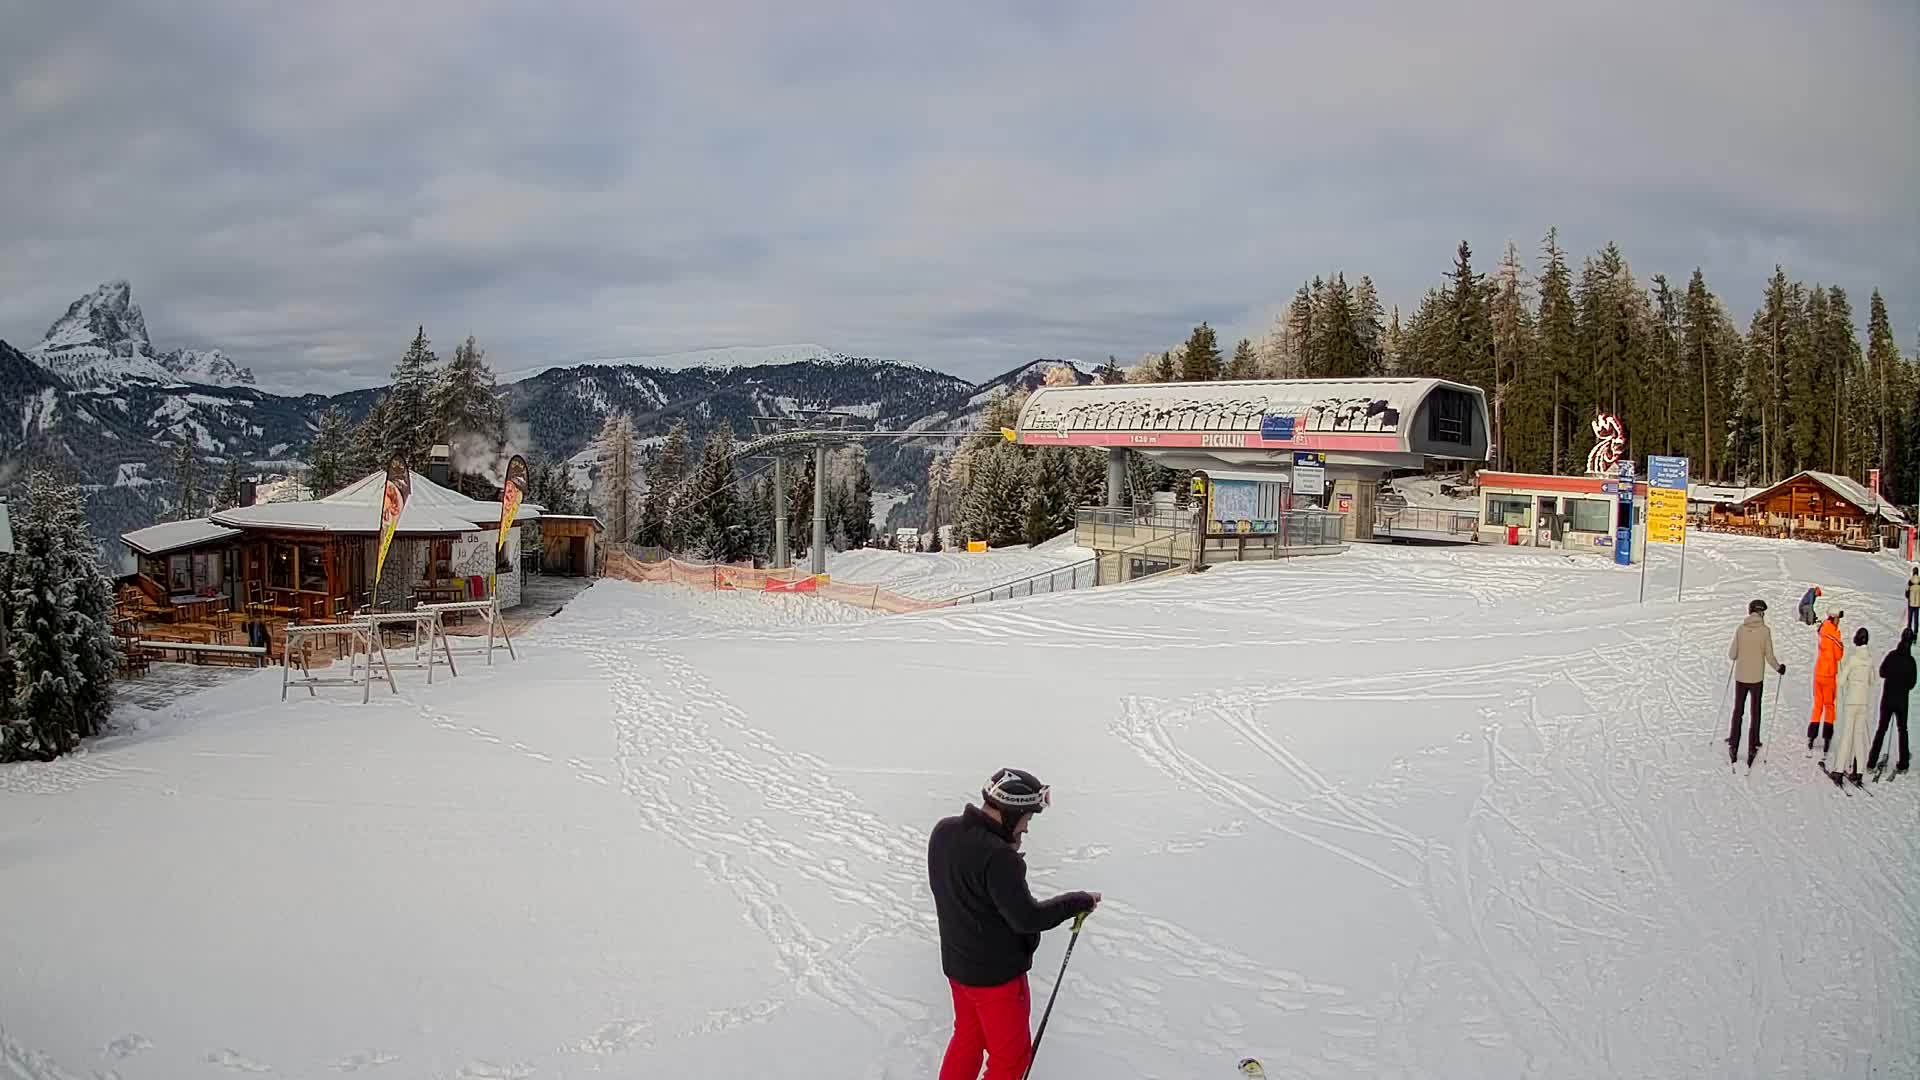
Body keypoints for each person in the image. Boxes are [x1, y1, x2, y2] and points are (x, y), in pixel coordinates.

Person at [928, 768, 1100, 1080]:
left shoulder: (944, 833)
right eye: (1028, 818)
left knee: (968, 1038)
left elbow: (964, 891)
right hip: (996, 980)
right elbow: (1027, 918)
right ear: (1011, 813)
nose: (1027, 828)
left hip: (958, 969)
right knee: (1011, 1060)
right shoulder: (998, 858)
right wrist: (1078, 902)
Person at [1727, 599, 1786, 766]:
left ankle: (1733, 743)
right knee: (1755, 712)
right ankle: (1753, 744)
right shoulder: (1765, 631)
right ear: (1760, 612)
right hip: (1756, 679)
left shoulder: (1741, 629)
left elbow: (1732, 654)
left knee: (1738, 711)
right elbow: (1769, 656)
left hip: (1741, 678)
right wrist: (1778, 668)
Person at [1827, 626, 1874, 786]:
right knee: (1858, 738)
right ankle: (1858, 771)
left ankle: (1839, 770)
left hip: (1851, 701)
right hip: (1863, 702)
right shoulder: (1869, 660)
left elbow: (1840, 681)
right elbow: (1872, 680)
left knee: (1847, 735)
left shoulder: (1853, 659)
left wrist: (1846, 681)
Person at [1869, 629, 1915, 775]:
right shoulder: (1911, 661)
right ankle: (1903, 763)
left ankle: (1871, 762)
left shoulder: (1892, 655)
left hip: (1888, 699)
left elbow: (1882, 672)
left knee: (1881, 729)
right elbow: (1912, 683)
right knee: (1903, 730)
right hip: (1902, 701)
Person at [1809, 610, 1844, 752]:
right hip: (1829, 674)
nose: (1839, 621)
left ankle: (1811, 736)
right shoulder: (1834, 634)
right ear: (1834, 618)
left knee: (1818, 705)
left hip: (1818, 672)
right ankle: (1827, 737)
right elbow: (1839, 655)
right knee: (1829, 706)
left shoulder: (1823, 630)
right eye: (1838, 618)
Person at [1906, 568, 1919, 637]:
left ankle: (1908, 631)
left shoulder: (1910, 581)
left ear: (1913, 572)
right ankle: (1916, 632)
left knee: (1910, 618)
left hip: (1910, 603)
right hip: (1917, 604)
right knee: (1916, 618)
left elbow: (1907, 593)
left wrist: (1909, 597)